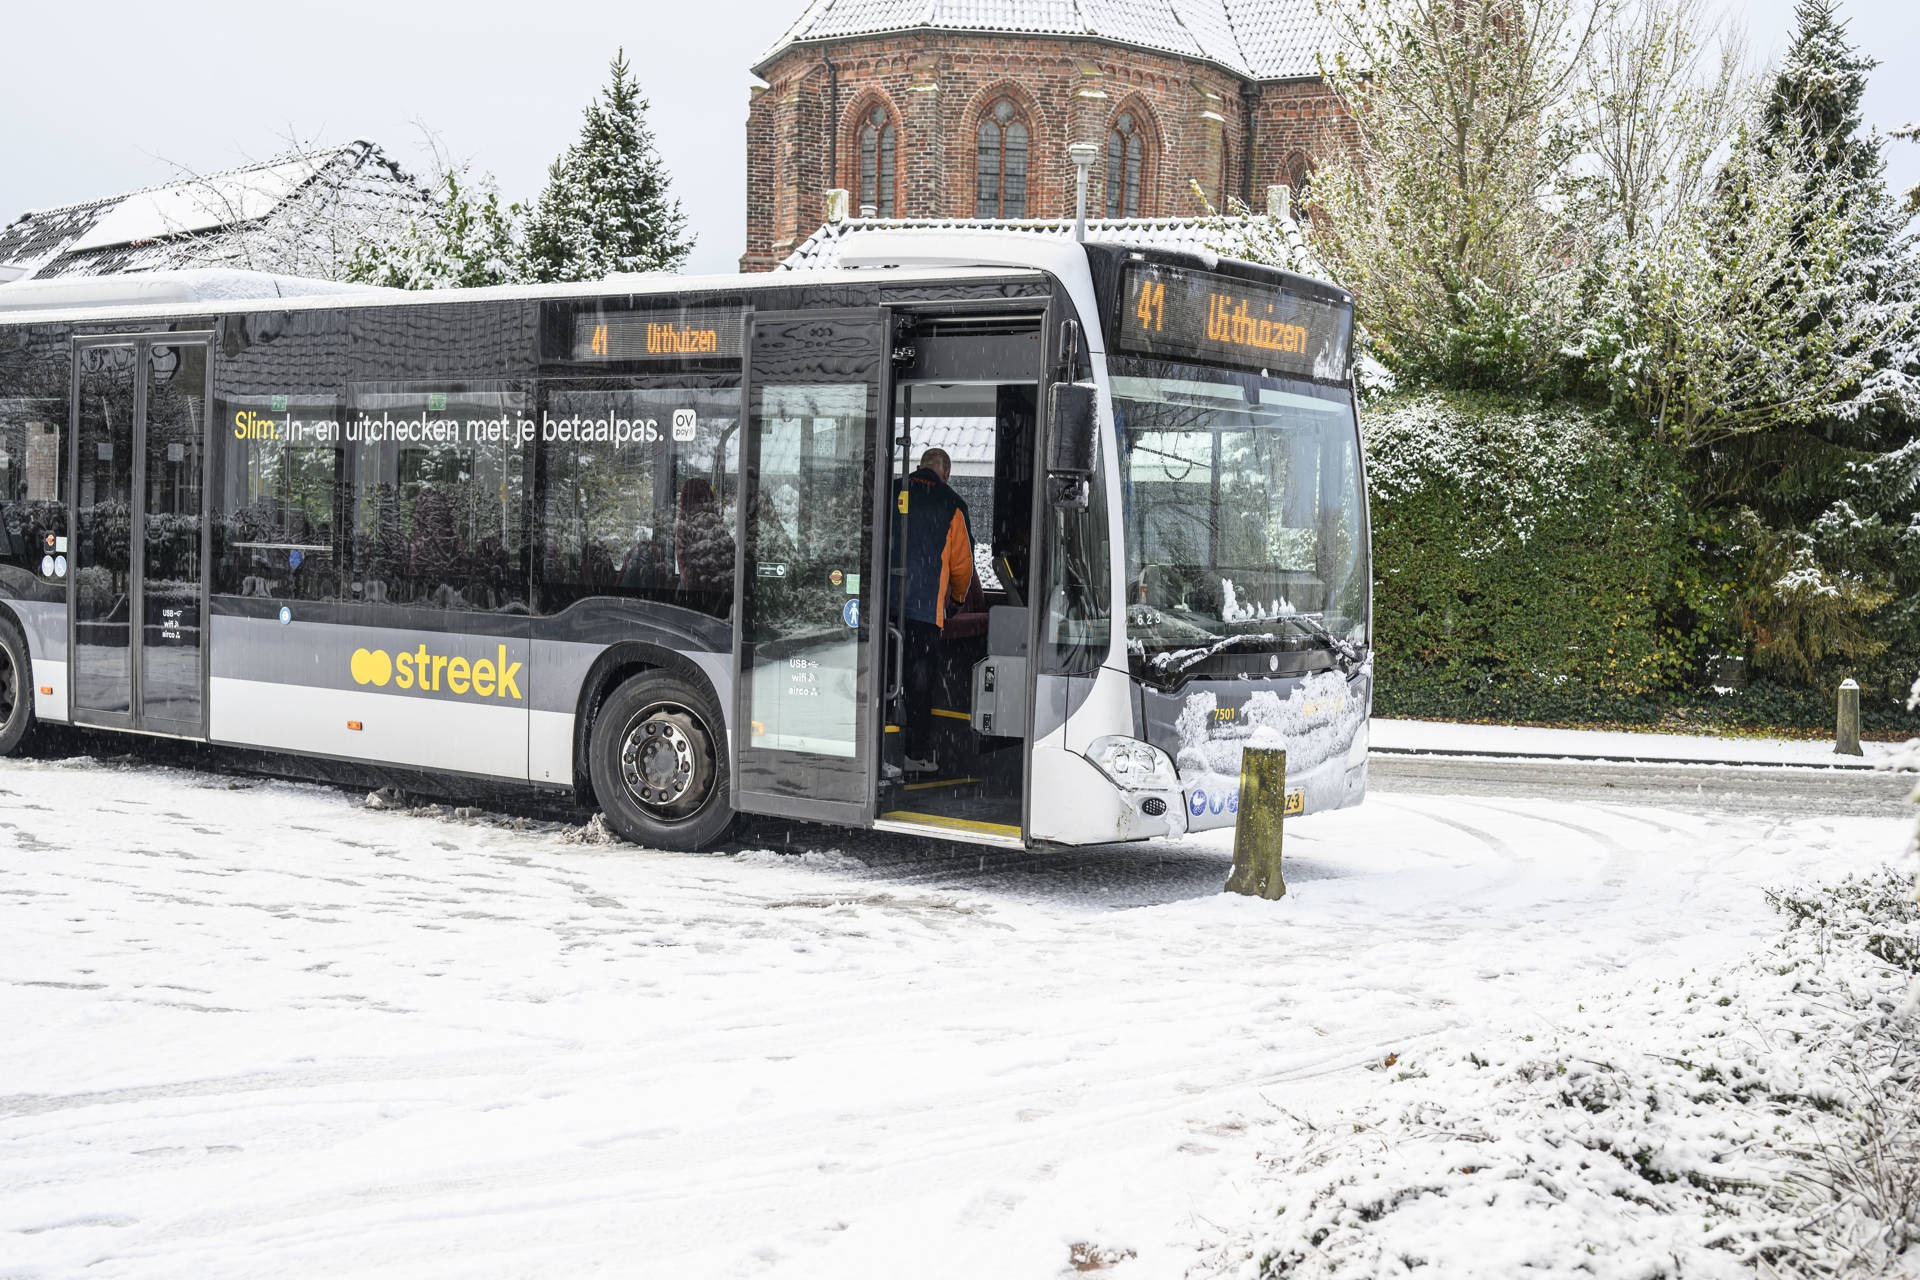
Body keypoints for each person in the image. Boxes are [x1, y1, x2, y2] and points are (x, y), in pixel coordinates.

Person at [898, 447, 974, 772]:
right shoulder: (953, 504)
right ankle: (914, 755)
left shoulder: (896, 490)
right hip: (926, 612)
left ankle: (875, 748)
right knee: (920, 683)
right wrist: (956, 600)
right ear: (947, 473)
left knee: (882, 676)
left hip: (885, 606)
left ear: (918, 466)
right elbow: (962, 566)